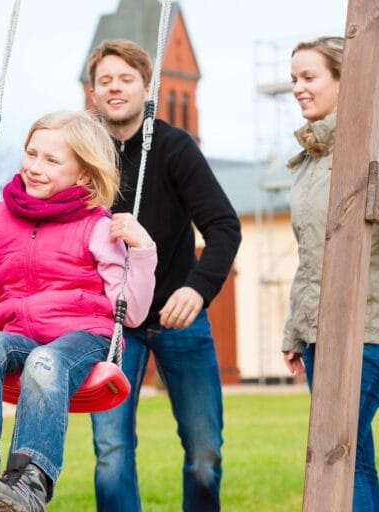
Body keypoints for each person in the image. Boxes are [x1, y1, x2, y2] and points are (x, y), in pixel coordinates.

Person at [0, 110, 157, 512]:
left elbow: (130, 313)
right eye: (31, 154)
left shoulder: (97, 225)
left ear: (82, 175)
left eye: (52, 160)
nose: (35, 167)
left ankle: (28, 482)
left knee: (45, 361)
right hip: (21, 338)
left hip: (81, 339)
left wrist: (143, 249)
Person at [86, 39, 242, 511]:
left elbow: (223, 227)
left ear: (146, 87)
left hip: (179, 317)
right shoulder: (84, 156)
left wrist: (199, 288)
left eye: (125, 79)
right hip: (113, 324)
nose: (115, 88)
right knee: (111, 454)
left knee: (204, 455)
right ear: (93, 93)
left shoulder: (174, 148)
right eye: (105, 81)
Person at [281, 36, 379, 512]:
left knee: (338, 450)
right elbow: (311, 253)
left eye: (310, 77)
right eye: (294, 79)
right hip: (321, 329)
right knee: (352, 453)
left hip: (368, 324)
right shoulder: (311, 158)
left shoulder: (375, 141)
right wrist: (295, 331)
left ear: (344, 81)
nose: (298, 88)